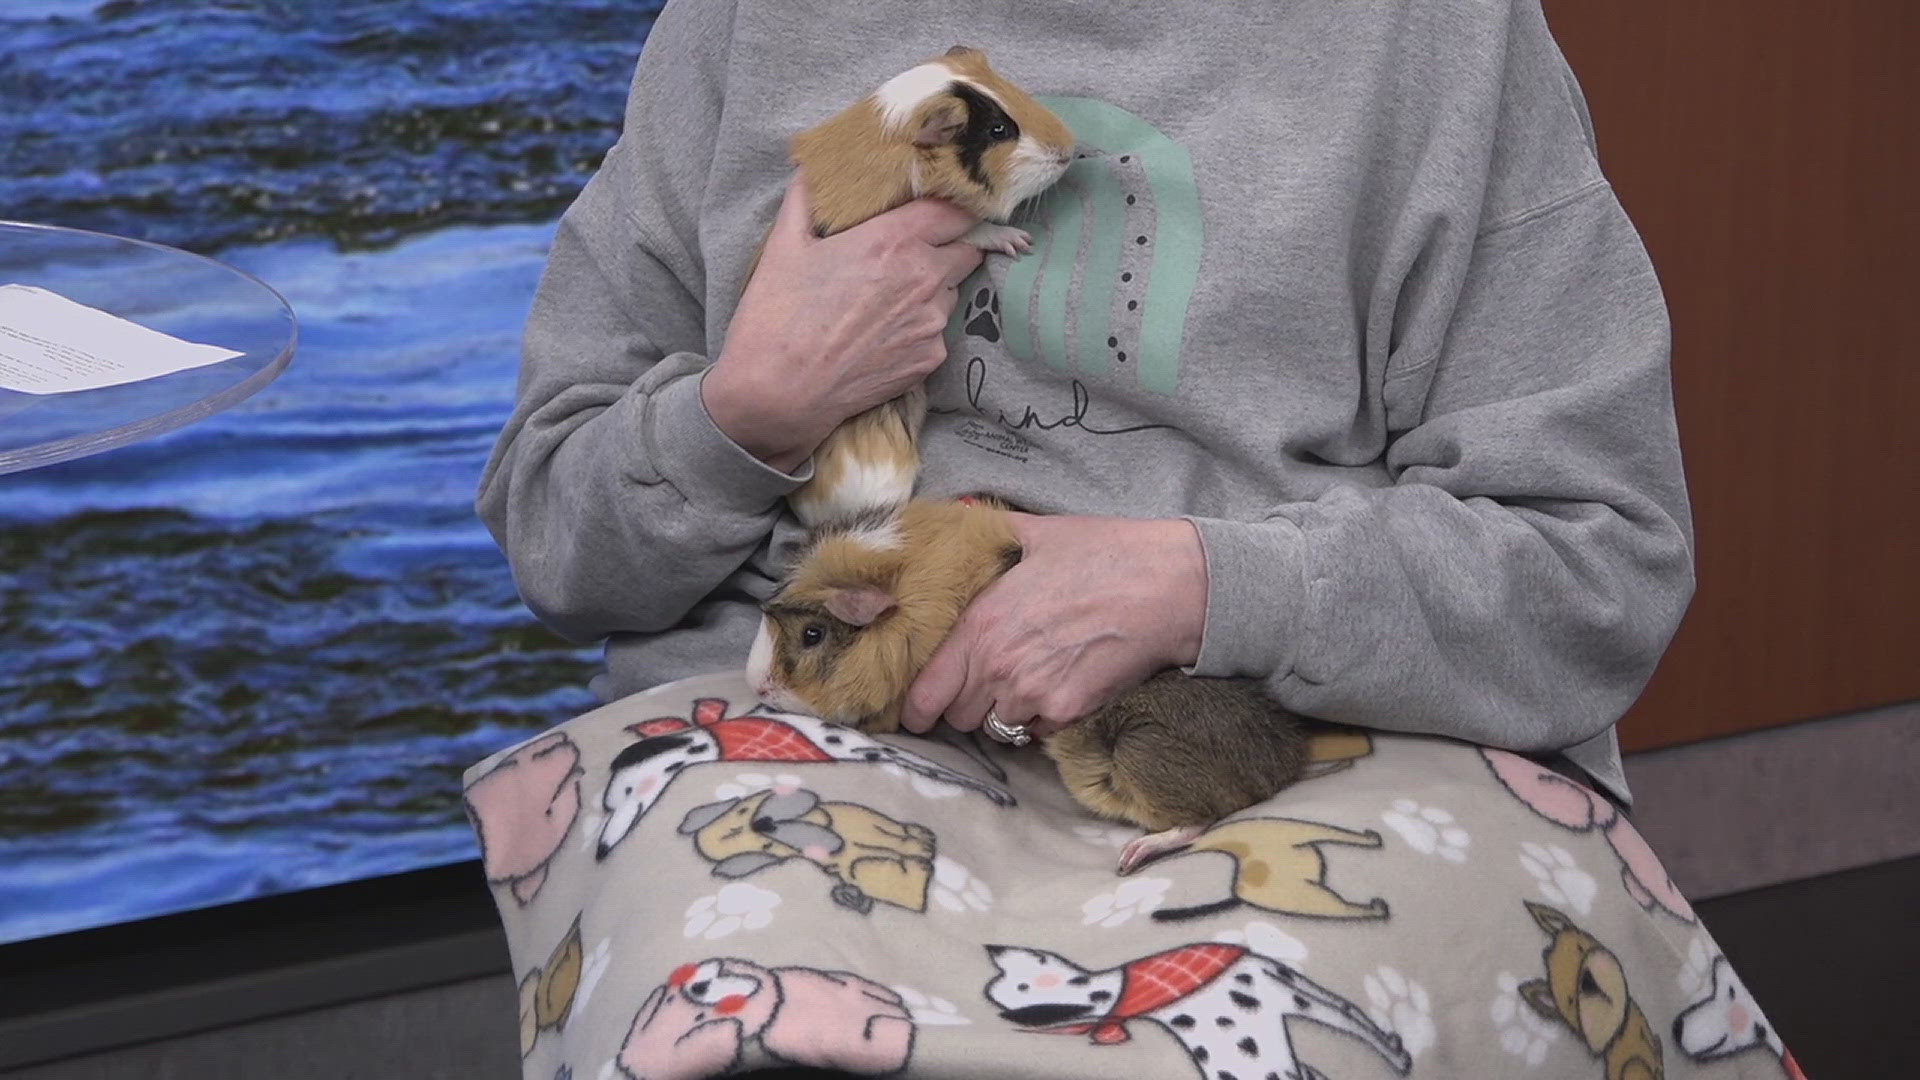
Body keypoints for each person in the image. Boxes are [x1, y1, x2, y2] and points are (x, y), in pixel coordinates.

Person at [476, 0, 1692, 809]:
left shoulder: (1444, 40)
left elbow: (1599, 573)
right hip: (797, 750)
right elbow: (556, 542)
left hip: (1289, 749)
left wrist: (1205, 586)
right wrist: (748, 411)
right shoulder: (740, 25)